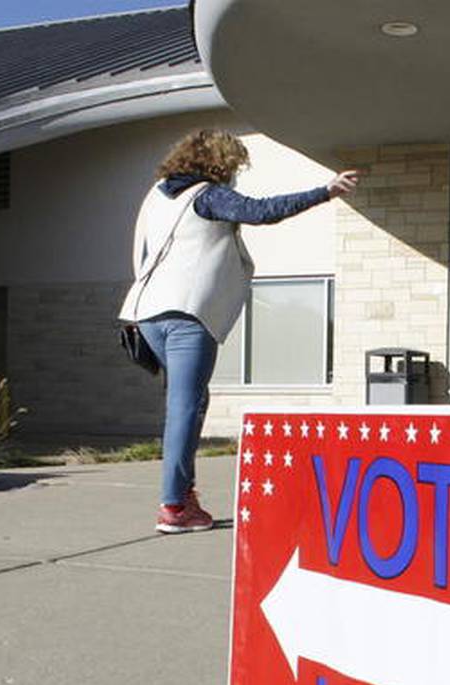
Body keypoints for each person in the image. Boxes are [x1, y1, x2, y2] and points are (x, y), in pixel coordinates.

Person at [119, 129, 358, 533]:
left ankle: (182, 493)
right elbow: (262, 211)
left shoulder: (158, 194)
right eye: (233, 166)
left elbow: (141, 252)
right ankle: (175, 507)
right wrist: (326, 191)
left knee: (190, 402)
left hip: (146, 314)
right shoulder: (207, 195)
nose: (234, 173)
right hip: (186, 315)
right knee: (185, 407)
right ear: (220, 162)